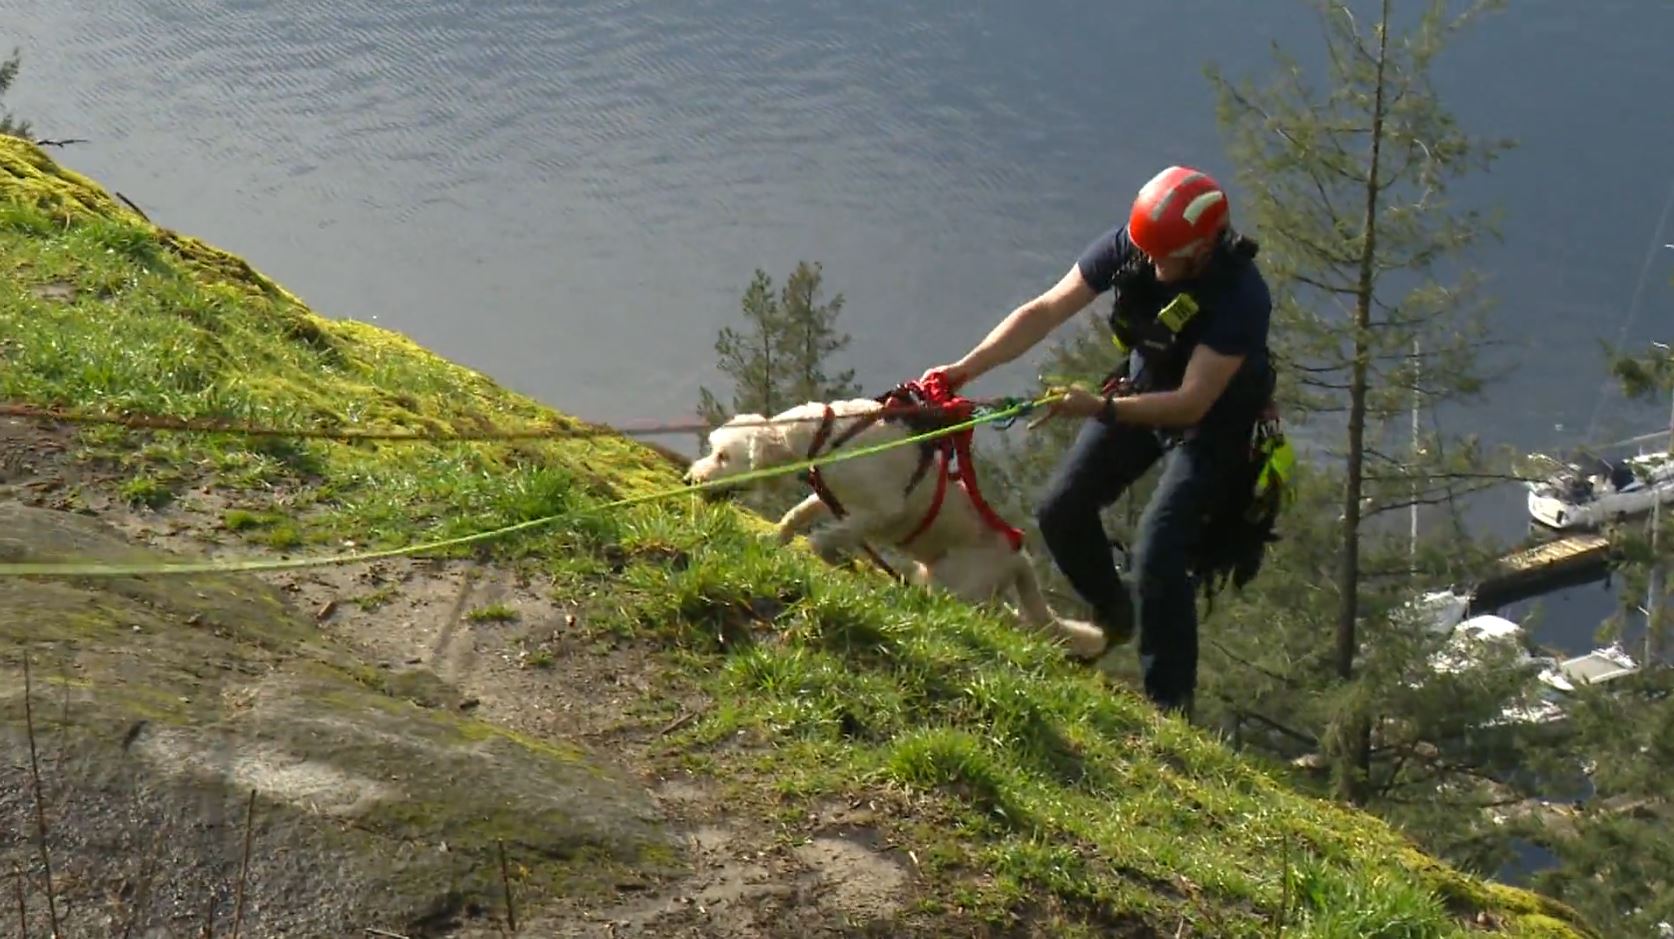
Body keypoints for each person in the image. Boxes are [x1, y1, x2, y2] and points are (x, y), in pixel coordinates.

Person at [921, 165, 1276, 717]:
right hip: (1145, 387)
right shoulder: (1133, 246)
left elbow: (1192, 403)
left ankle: (1169, 707)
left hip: (1216, 423)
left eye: (1169, 260)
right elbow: (1043, 312)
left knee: (1160, 549)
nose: (1156, 271)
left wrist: (1099, 406)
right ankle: (1117, 615)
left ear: (1204, 247)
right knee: (1061, 510)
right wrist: (966, 369)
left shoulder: (1241, 296)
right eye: (1150, 255)